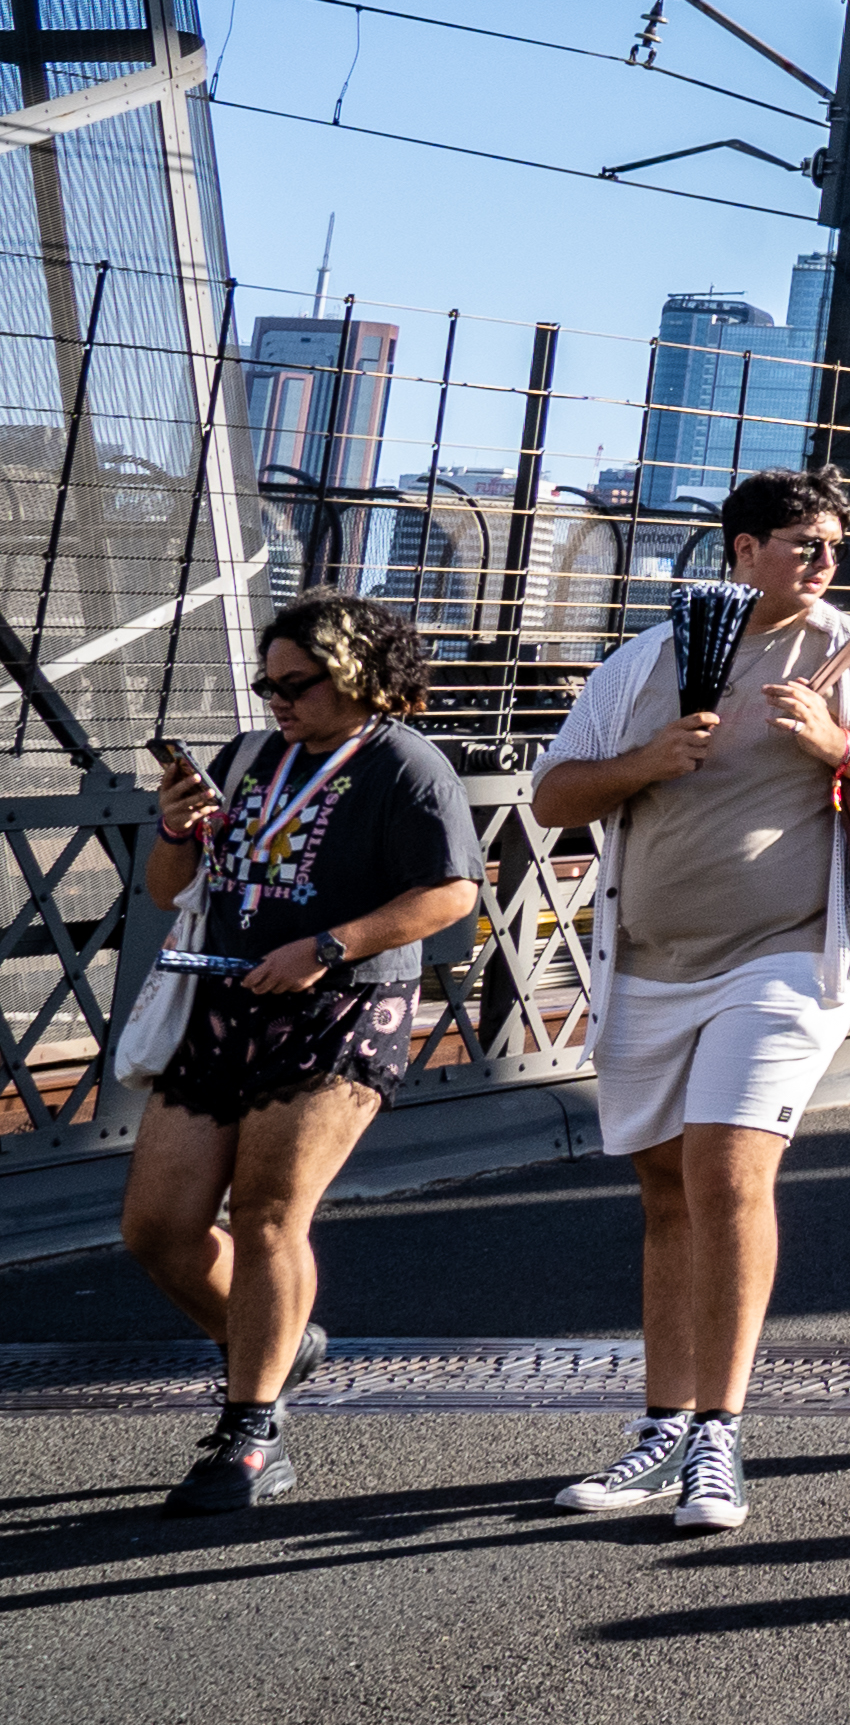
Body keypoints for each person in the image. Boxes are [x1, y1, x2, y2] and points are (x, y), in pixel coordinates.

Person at [528, 466, 850, 1536]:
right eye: (801, 543)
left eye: (831, 547)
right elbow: (552, 793)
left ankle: (719, 1433)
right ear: (741, 549)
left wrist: (839, 745)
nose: (821, 562)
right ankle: (662, 1427)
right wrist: (646, 761)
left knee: (727, 1168)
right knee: (667, 1192)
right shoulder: (647, 659)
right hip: (649, 963)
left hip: (783, 961)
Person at [122, 592, 481, 1513]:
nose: (276, 701)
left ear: (357, 675)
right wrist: (173, 827)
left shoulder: (407, 766)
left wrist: (328, 947)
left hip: (341, 1010)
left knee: (270, 1214)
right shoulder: (249, 758)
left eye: (296, 684)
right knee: (156, 1227)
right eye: (266, 683)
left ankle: (251, 1431)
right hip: (224, 1001)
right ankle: (282, 1344)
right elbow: (169, 890)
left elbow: (450, 895)